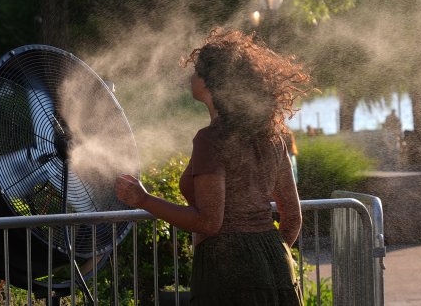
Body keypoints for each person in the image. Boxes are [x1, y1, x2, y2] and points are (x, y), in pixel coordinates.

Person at [115, 29, 311, 305]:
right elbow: (292, 218)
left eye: (196, 72)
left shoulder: (210, 140)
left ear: (211, 83)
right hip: (277, 267)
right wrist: (269, 255)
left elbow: (210, 222)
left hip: (226, 272)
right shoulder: (273, 137)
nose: (191, 77)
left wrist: (143, 199)